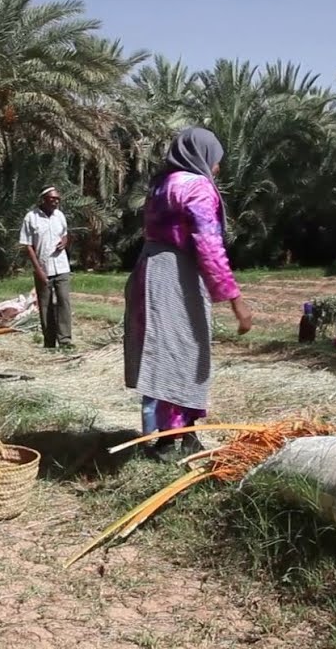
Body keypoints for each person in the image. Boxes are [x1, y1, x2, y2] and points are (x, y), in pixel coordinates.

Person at [124, 127, 252, 458]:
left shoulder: (161, 185)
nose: (218, 168)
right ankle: (178, 437)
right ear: (202, 155)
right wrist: (235, 299)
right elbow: (208, 244)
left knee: (166, 351)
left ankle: (177, 433)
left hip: (150, 269)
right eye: (216, 160)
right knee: (185, 352)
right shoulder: (197, 186)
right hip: (177, 275)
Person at [18, 186, 73, 350]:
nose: (56, 202)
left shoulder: (60, 216)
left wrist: (65, 241)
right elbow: (28, 246)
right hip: (44, 268)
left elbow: (65, 233)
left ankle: (65, 341)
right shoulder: (31, 218)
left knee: (64, 301)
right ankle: (49, 342)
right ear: (43, 199)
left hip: (61, 266)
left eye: (58, 199)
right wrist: (39, 270)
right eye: (52, 199)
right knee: (45, 305)